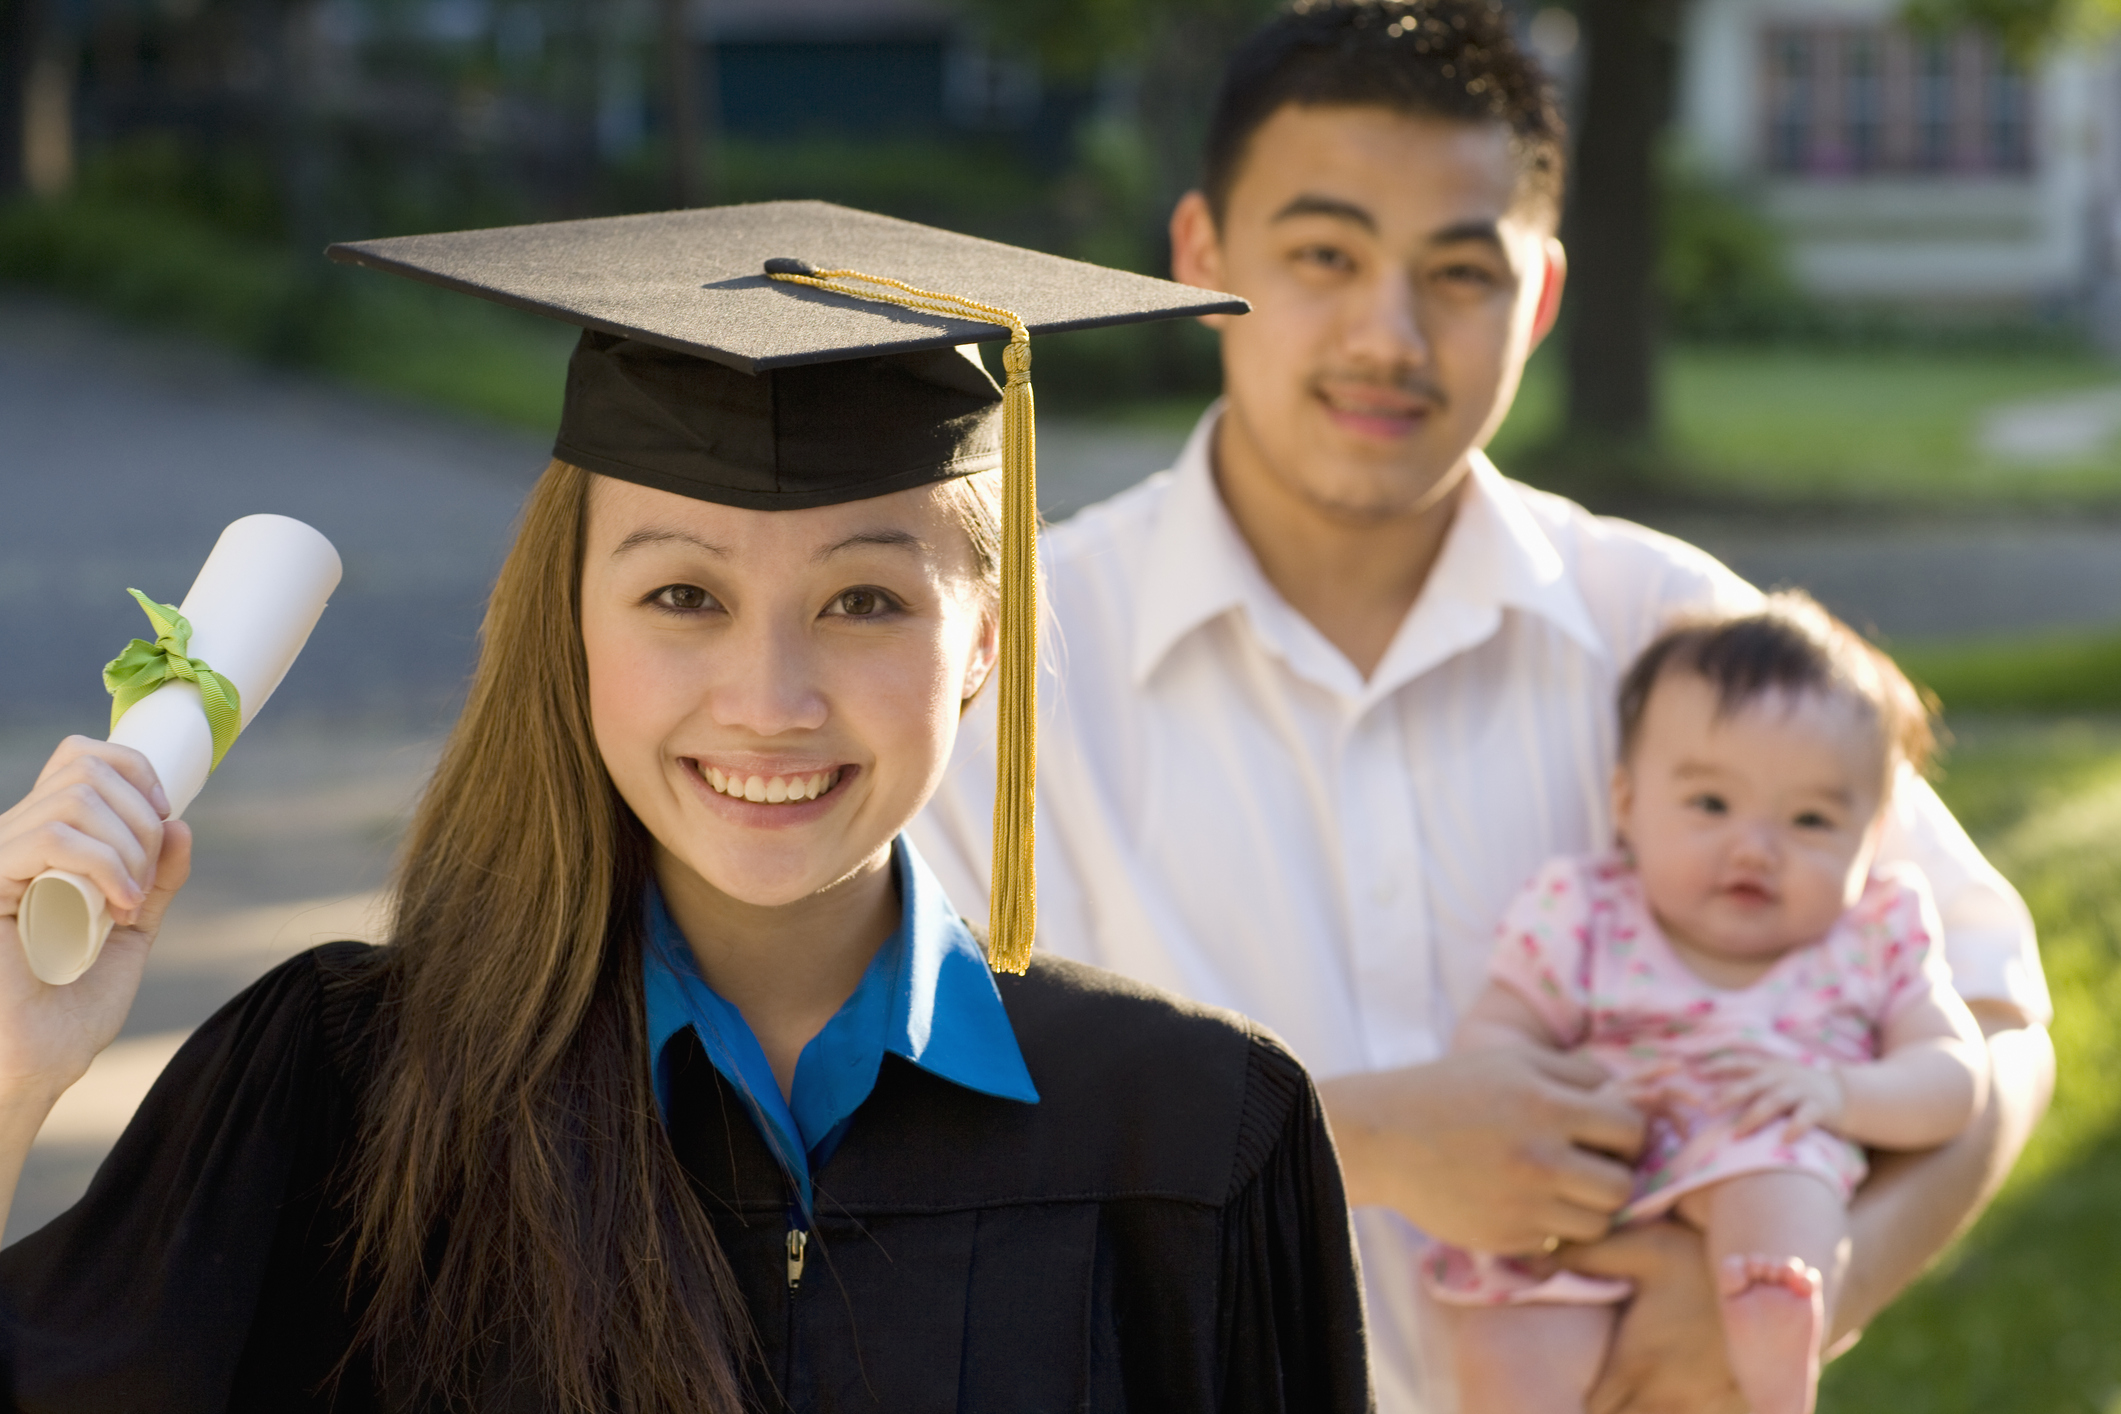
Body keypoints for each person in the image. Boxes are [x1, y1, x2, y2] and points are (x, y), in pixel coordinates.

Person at [0, 204, 1372, 1413]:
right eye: (683, 596)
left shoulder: (1190, 1136)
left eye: (864, 600)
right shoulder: (344, 1097)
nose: (768, 698)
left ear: (984, 645)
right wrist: (12, 1066)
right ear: (573, 622)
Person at [910, 3, 2055, 1409]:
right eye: (1322, 256)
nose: (1386, 334)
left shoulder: (1677, 630)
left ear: (1544, 293)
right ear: (1202, 254)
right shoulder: (1000, 669)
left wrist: (1814, 1291)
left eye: (1459, 271)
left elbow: (2000, 1017)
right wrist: (1344, 1140)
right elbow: (888, 1143)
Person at [1424, 594, 1986, 1414]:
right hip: (1592, 1175)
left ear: (1871, 836)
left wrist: (1839, 1096)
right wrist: (1557, 1088)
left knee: (1781, 1196)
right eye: (1710, 805)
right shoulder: (1584, 911)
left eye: (1808, 820)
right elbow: (1495, 1033)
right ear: (1626, 806)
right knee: (1508, 1341)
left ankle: (1772, 1376)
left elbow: (1952, 1074)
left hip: (1761, 1140)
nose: (1753, 847)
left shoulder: (1873, 934)